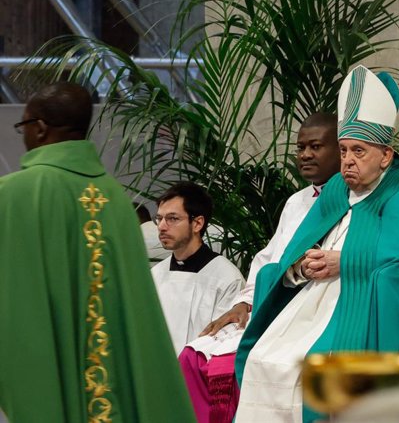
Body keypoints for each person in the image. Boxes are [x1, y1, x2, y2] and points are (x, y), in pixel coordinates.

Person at [234, 65, 399, 423]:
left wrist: (345, 261)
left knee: (311, 368)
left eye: (359, 151)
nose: (348, 161)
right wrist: (299, 267)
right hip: (312, 301)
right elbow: (298, 247)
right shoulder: (337, 187)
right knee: (264, 360)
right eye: (344, 150)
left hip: (364, 305)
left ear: (386, 155)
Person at [0, 82, 195, 422]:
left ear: (41, 129)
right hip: (113, 384)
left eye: (24, 127)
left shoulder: (15, 194)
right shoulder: (115, 199)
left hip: (49, 376)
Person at [178, 112, 341, 423]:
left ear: (340, 147)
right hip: (269, 302)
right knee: (193, 355)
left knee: (248, 362)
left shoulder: (351, 201)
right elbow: (268, 260)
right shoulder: (296, 202)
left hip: (311, 311)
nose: (304, 155)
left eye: (316, 146)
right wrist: (244, 302)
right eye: (300, 147)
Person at [150, 181, 244, 355]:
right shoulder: (155, 274)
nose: (162, 227)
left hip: (199, 375)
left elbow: (224, 343)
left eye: (172, 218)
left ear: (197, 223)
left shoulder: (227, 278)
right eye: (159, 218)